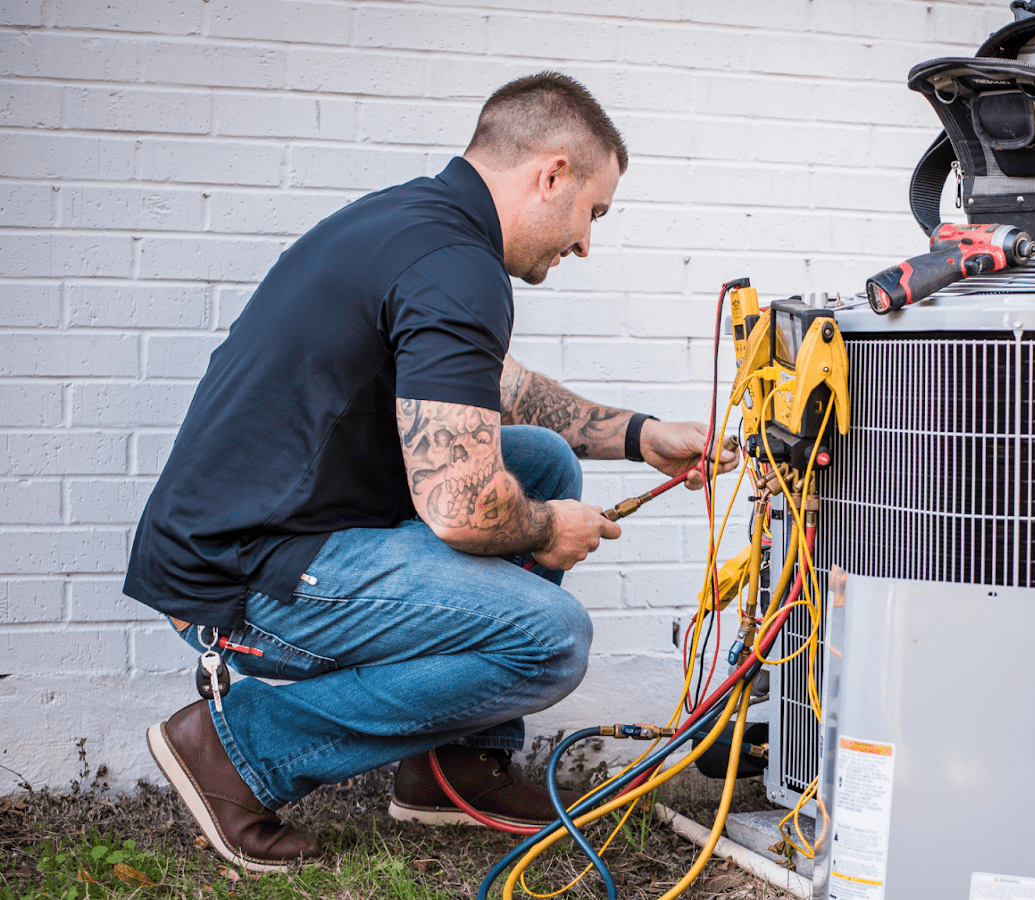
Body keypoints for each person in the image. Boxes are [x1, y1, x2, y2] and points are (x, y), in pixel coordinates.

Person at [123, 72, 738, 873]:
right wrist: (551, 530)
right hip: (243, 576)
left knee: (543, 461)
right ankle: (236, 753)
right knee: (550, 642)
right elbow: (460, 508)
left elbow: (500, 389)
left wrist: (641, 435)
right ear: (551, 174)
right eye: (594, 212)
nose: (586, 241)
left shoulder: (415, 224)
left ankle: (451, 769)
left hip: (282, 527)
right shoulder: (456, 263)